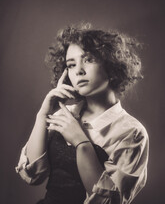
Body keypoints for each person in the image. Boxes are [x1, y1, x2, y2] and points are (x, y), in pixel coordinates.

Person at [16, 23, 149, 204]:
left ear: (112, 64)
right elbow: (33, 175)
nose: (78, 70)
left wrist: (81, 142)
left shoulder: (132, 132)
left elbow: (109, 202)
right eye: (71, 65)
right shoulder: (65, 114)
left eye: (88, 59)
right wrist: (42, 115)